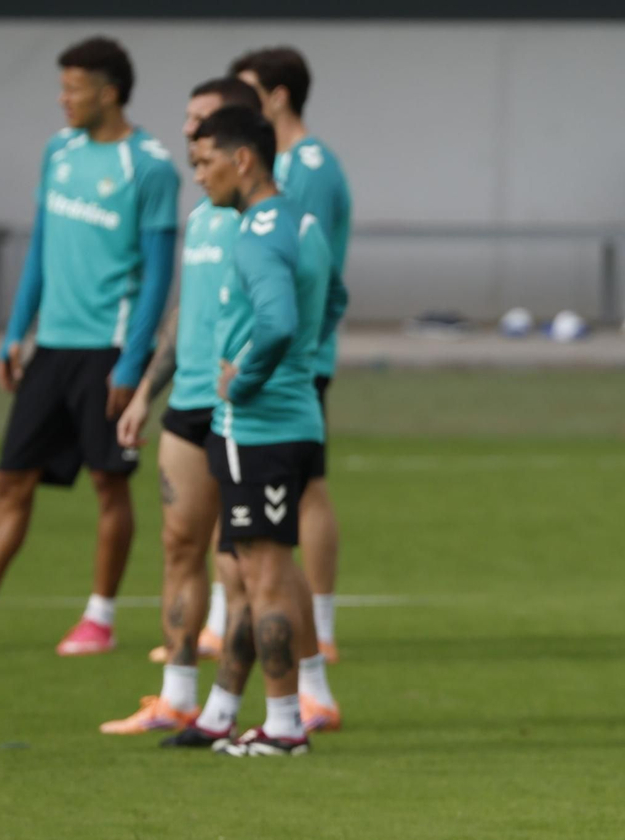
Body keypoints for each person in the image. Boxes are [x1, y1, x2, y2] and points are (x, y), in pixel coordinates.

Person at [0, 36, 177, 657]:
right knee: (9, 480)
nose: (62, 99)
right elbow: (42, 249)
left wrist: (134, 363)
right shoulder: (60, 151)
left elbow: (159, 276)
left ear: (107, 92)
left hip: (108, 350)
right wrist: (15, 333)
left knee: (109, 484)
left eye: (73, 88)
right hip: (51, 347)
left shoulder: (150, 166)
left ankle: (98, 619)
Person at [161, 105, 342, 754]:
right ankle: (227, 713)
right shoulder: (305, 225)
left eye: (205, 162)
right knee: (246, 571)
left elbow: (278, 323)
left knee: (263, 576)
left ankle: (286, 725)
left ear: (243, 159)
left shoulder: (259, 233)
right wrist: (294, 372)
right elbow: (335, 302)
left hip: (257, 428)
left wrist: (250, 378)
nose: (199, 177)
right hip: (298, 418)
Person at [98, 76, 261, 735]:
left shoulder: (270, 218)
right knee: (178, 544)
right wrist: (145, 391)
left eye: (203, 128)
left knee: (246, 561)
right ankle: (176, 695)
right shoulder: (202, 217)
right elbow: (181, 315)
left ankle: (252, 703)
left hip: (244, 412)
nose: (191, 139)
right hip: (188, 406)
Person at [229, 46, 352, 666]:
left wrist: (306, 348)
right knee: (290, 496)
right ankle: (262, 620)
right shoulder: (284, 165)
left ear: (277, 97)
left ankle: (318, 629)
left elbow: (323, 274)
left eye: (246, 92)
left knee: (307, 489)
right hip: (280, 357)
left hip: (291, 365)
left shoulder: (308, 169)